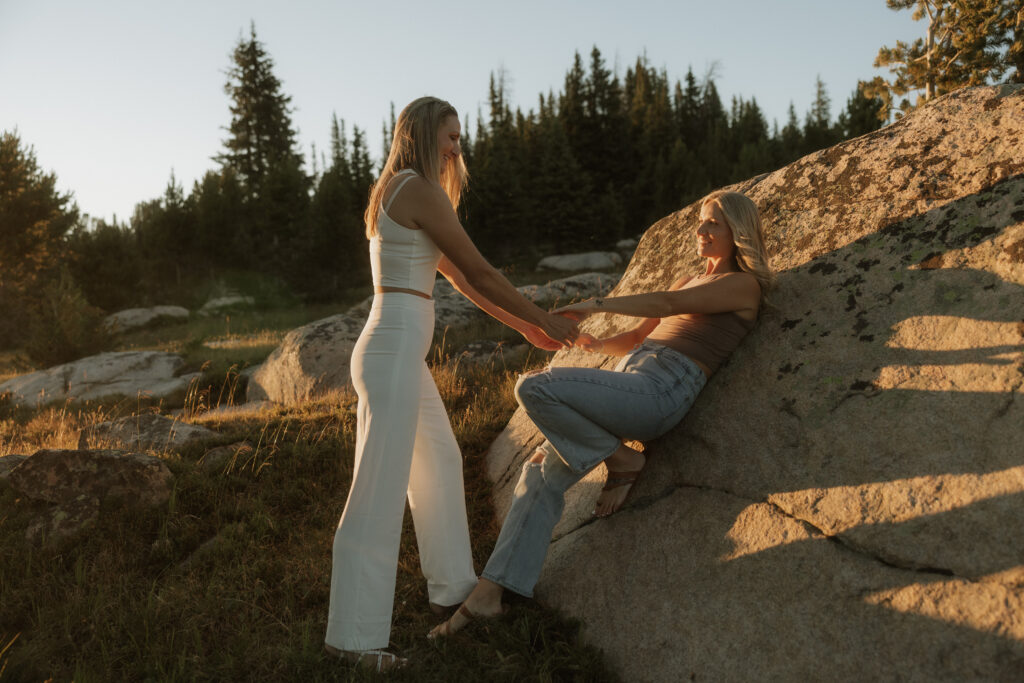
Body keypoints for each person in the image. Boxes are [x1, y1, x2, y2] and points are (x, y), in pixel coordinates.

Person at [428, 189, 773, 638]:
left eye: (714, 224)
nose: (701, 231)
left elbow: (666, 308)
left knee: (534, 387)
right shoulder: (689, 279)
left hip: (661, 390)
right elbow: (632, 340)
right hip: (632, 376)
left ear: (738, 232)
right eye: (701, 221)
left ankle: (622, 459)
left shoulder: (743, 284)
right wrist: (587, 340)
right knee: (539, 473)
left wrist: (596, 304)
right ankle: (488, 597)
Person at [324, 96, 579, 671]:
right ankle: (353, 640)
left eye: (460, 138)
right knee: (379, 490)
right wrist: (545, 318)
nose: (457, 149)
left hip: (397, 351)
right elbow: (484, 269)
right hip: (390, 349)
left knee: (436, 461)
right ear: (420, 134)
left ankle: (453, 588)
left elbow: (462, 279)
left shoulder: (405, 189)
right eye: (450, 137)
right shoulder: (416, 188)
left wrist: (524, 329)